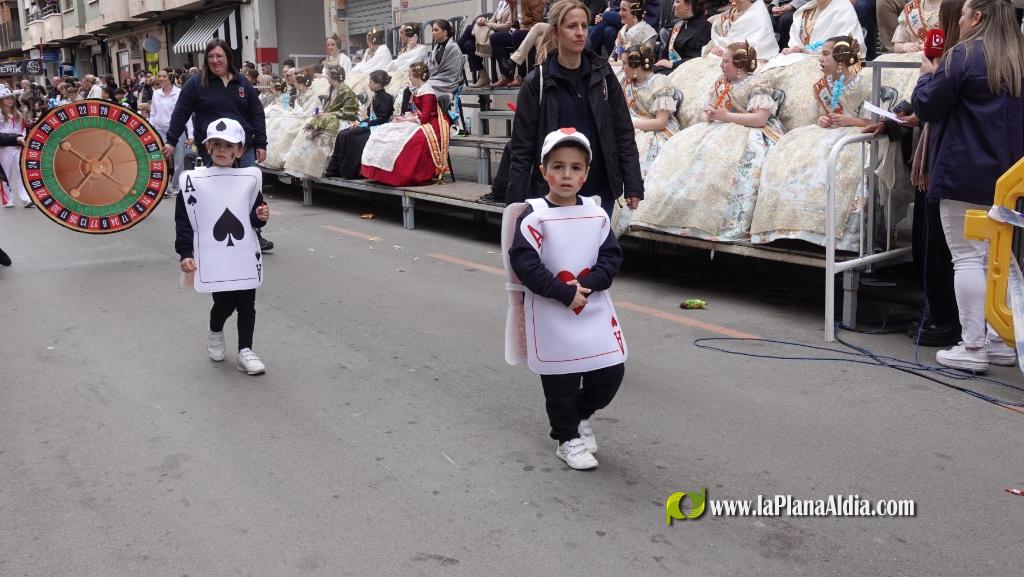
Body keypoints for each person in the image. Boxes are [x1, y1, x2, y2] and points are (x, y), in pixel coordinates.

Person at [913, 0, 1024, 371]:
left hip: (964, 171)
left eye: (962, 15)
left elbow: (927, 105)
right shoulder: (1017, 56)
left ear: (978, 17)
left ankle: (973, 345)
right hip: (1009, 176)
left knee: (968, 259)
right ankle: (1001, 340)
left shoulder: (964, 55)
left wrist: (928, 73)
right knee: (999, 259)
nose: (957, 22)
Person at [507, 128, 627, 470]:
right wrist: (562, 293)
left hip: (592, 308)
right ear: (544, 171)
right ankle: (566, 437)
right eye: (558, 166)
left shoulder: (597, 214)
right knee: (560, 380)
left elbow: (610, 258)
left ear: (586, 173)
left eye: (576, 167)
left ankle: (579, 415)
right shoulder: (533, 216)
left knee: (610, 373)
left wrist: (584, 287)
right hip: (551, 311)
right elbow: (525, 263)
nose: (567, 175)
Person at [507, 0, 644, 216]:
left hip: (599, 190)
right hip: (552, 193)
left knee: (595, 250)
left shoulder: (604, 75)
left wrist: (633, 183)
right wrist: (515, 204)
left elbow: (623, 132)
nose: (580, 32)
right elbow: (522, 147)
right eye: (572, 26)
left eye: (584, 25)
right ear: (555, 32)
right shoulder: (537, 82)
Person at [634, 42, 783, 240]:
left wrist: (726, 116)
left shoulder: (758, 84)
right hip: (720, 128)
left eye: (726, 61)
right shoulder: (722, 82)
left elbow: (760, 119)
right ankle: (680, 213)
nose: (722, 65)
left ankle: (718, 219)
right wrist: (710, 113)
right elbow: (712, 106)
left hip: (749, 132)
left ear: (739, 63)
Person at [752, 36, 875, 250]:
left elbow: (874, 121)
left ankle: (833, 232)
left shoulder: (864, 84)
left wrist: (849, 121)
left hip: (855, 134)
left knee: (837, 163)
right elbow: (819, 115)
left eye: (826, 54)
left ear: (841, 59)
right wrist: (822, 119)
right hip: (825, 133)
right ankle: (789, 226)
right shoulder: (821, 86)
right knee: (791, 155)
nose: (820, 58)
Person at [175, 118, 269, 375]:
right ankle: (216, 331)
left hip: (244, 254)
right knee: (225, 304)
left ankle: (245, 351)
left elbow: (249, 218)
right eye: (216, 144)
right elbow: (185, 221)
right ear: (207, 147)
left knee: (247, 304)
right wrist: (185, 252)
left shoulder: (250, 178)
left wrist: (260, 216)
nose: (222, 150)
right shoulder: (193, 182)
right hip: (214, 257)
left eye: (229, 145)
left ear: (239, 150)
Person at [165, 38, 272, 252]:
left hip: (244, 148)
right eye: (211, 57)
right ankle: (217, 234)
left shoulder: (242, 83)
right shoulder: (196, 83)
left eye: (219, 56)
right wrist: (170, 141)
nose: (215, 61)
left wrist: (261, 142)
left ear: (228, 58)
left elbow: (256, 114)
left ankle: (254, 233)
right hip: (213, 149)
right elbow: (180, 112)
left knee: (248, 191)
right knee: (222, 192)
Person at [361, 62, 451, 186]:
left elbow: (424, 118)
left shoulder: (427, 91)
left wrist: (405, 120)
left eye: (410, 74)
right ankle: (381, 172)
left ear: (416, 75)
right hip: (421, 121)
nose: (408, 77)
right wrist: (404, 118)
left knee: (410, 139)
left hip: (431, 125)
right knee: (387, 129)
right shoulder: (418, 90)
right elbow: (418, 113)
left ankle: (402, 173)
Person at [283, 65, 360, 178]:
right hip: (331, 117)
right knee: (310, 125)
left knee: (320, 131)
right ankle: (304, 165)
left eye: (328, 75)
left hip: (343, 120)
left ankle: (319, 166)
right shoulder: (332, 88)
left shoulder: (347, 91)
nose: (326, 77)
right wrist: (323, 114)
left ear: (333, 77)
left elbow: (349, 111)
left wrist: (328, 114)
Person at [621, 44, 680, 177]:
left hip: (657, 132)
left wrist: (630, 123)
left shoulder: (659, 83)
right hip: (633, 124)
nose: (622, 68)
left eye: (625, 63)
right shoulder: (628, 82)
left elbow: (661, 123)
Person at [325, 70, 395, 179]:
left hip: (378, 127)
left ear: (377, 84)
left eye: (371, 82)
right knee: (342, 133)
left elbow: (383, 118)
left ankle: (350, 171)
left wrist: (365, 124)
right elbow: (368, 115)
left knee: (352, 134)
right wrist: (359, 122)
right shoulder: (375, 96)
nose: (369, 84)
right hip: (370, 124)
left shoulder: (387, 98)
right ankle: (336, 169)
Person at [780, 0, 867, 57]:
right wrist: (790, 50)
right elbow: (796, 45)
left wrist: (807, 52)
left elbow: (850, 50)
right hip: (799, 62)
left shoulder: (844, 9)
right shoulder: (805, 10)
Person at [460, 1, 517, 87]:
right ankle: (483, 76)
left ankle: (456, 51)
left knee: (469, 30)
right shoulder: (502, 3)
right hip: (493, 33)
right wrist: (483, 21)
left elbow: (508, 26)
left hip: (505, 34)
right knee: (468, 44)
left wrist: (488, 24)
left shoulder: (514, 3)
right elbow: (492, 20)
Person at [149, 68, 185, 196]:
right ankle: (163, 187)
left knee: (179, 160)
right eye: (159, 76)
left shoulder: (179, 93)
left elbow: (186, 115)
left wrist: (190, 134)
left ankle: (176, 185)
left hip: (177, 130)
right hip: (160, 130)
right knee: (162, 158)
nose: (160, 78)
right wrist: (150, 128)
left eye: (163, 76)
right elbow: (153, 113)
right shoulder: (156, 94)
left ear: (170, 78)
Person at [653, 0, 712, 74]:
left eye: (677, 2)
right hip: (670, 69)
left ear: (688, 5)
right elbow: (666, 56)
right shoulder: (679, 25)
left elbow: (698, 59)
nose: (673, 5)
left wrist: (673, 64)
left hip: (686, 73)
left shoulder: (704, 28)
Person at [608, 0, 658, 83]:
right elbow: (614, 54)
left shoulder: (648, 33)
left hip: (635, 75)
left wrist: (612, 65)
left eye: (623, 10)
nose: (619, 13)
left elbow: (645, 64)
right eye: (620, 9)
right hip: (617, 68)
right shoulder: (623, 30)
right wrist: (611, 61)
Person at [0, 85, 30, 208]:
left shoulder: (18, 114)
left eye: (11, 97)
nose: (10, 100)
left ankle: (25, 198)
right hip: (4, 149)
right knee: (5, 174)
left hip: (18, 147)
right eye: (6, 98)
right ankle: (8, 199)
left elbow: (23, 130)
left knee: (22, 172)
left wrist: (22, 140)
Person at [425, 19, 465, 104]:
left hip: (448, 82)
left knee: (424, 88)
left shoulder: (454, 48)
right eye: (432, 30)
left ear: (445, 32)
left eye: (436, 30)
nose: (433, 33)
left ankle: (431, 115)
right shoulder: (437, 47)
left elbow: (453, 72)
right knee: (412, 87)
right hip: (435, 79)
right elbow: (430, 65)